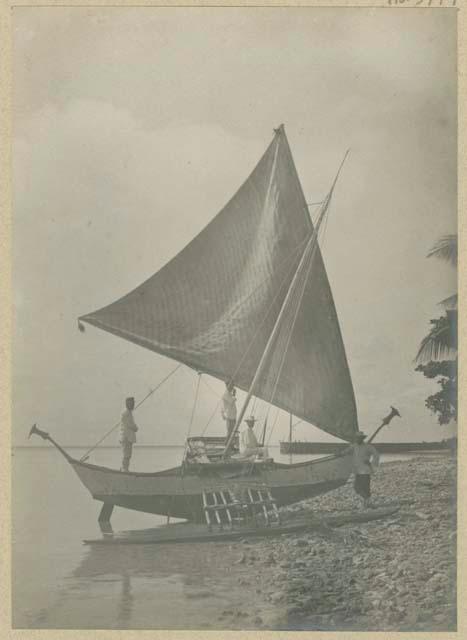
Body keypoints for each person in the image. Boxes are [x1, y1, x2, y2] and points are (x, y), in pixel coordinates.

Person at [351, 430, 380, 509]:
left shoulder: (368, 446)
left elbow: (376, 455)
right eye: (357, 438)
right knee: (356, 488)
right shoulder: (354, 446)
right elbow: (346, 451)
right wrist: (339, 454)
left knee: (365, 487)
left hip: (365, 470)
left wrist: (372, 463)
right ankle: (367, 502)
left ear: (362, 438)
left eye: (359, 438)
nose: (358, 439)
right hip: (357, 470)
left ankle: (367, 503)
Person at [120, 397, 138, 472]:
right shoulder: (126, 413)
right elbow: (130, 425)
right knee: (126, 454)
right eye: (132, 403)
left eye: (133, 403)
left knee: (128, 454)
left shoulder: (128, 413)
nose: (133, 405)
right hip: (126, 438)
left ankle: (125, 468)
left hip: (128, 438)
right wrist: (135, 427)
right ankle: (124, 469)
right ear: (128, 404)